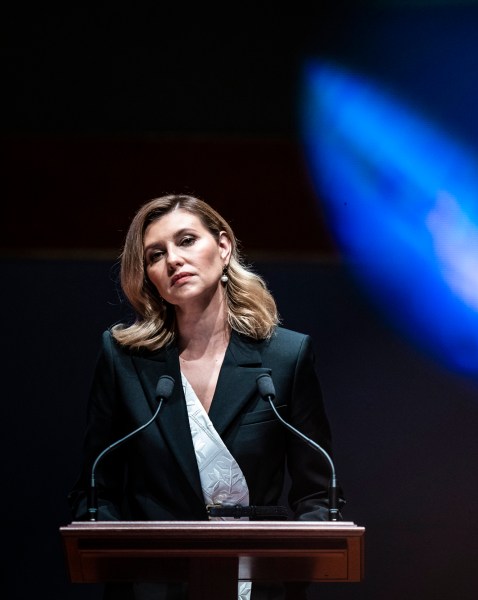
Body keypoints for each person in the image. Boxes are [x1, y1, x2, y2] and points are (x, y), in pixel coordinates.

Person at [68, 194, 343, 600]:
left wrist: (289, 572)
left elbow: (316, 492)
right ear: (149, 277)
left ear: (224, 246)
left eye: (186, 240)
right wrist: (125, 569)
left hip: (256, 583)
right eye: (155, 255)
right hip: (153, 587)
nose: (173, 260)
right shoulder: (124, 359)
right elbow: (96, 487)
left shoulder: (286, 357)